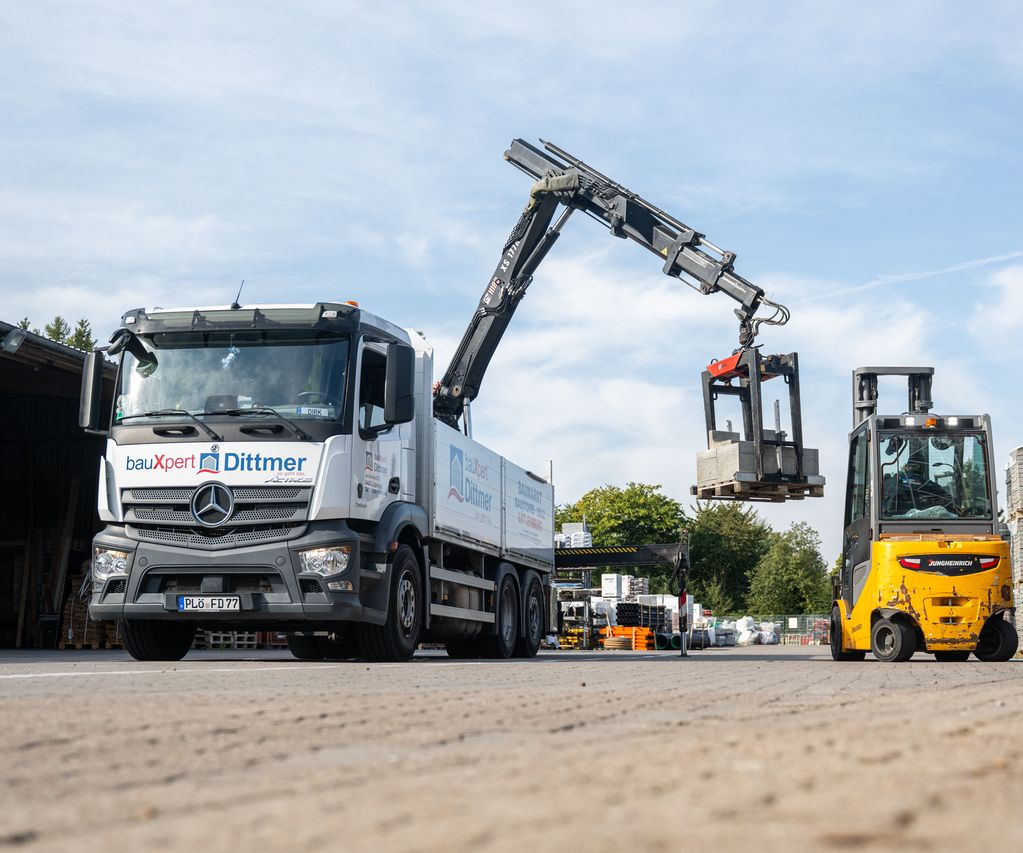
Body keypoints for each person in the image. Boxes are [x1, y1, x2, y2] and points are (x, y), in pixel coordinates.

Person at [884, 456, 954, 516]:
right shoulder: (931, 486)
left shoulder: (890, 483)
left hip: (891, 526)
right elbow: (951, 503)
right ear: (922, 468)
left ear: (907, 468)